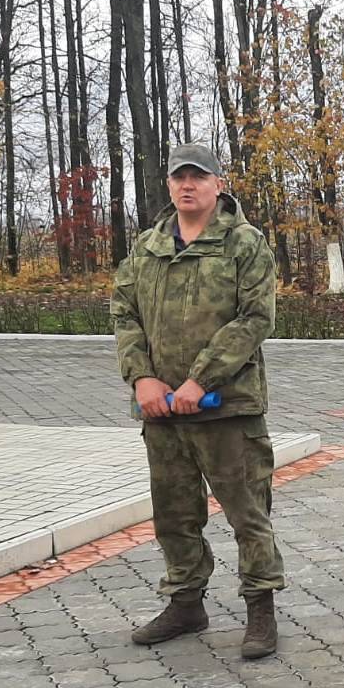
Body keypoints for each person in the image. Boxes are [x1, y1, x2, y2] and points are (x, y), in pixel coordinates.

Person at [111, 143, 285, 659]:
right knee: (174, 513)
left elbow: (255, 318)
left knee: (247, 513)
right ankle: (186, 603)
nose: (188, 185)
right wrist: (142, 378)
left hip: (227, 407)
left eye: (198, 177)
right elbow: (125, 314)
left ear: (217, 184)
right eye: (179, 177)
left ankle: (260, 609)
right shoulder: (147, 247)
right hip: (162, 410)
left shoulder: (244, 244)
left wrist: (199, 380)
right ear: (169, 185)